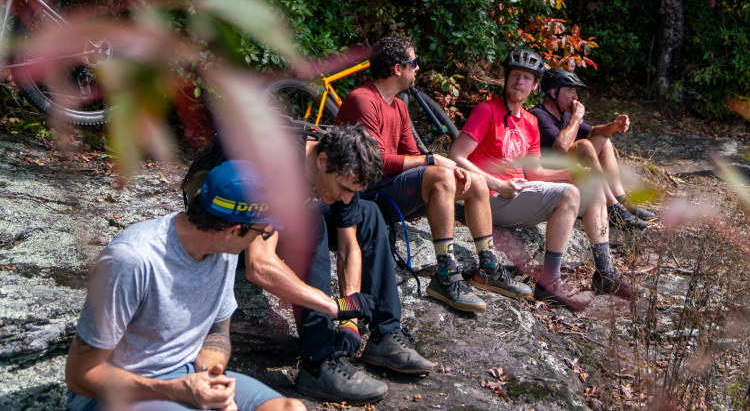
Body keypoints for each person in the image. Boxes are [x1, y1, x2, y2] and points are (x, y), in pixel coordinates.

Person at [183, 125, 432, 406]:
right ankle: (318, 361)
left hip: (272, 218)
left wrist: (349, 317)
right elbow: (260, 265)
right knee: (310, 223)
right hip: (226, 235)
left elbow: (349, 244)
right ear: (322, 160)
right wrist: (332, 306)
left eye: (354, 190)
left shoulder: (338, 168)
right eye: (344, 189)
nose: (346, 197)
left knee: (370, 213)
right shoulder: (274, 166)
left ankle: (385, 333)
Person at [65, 160, 309, 411]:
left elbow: (218, 331)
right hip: (116, 394)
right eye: (262, 231)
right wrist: (176, 390)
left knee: (290, 408)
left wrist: (211, 377)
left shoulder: (224, 251)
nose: (261, 237)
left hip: (186, 377)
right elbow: (80, 376)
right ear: (233, 230)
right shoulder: (132, 260)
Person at [335, 34, 532, 314]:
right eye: (413, 62)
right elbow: (374, 162)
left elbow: (412, 154)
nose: (418, 68)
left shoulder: (399, 106)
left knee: (474, 180)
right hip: (368, 194)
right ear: (397, 68)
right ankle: (445, 274)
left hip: (396, 189)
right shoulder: (363, 100)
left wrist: (444, 168)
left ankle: (487, 267)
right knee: (439, 175)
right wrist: (433, 162)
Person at [448, 49, 640, 308]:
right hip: (490, 198)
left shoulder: (529, 121)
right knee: (569, 194)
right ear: (506, 79)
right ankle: (550, 282)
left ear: (536, 85)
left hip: (520, 193)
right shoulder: (487, 110)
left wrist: (571, 173)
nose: (519, 82)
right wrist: (498, 184)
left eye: (527, 78)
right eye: (514, 75)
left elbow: (535, 172)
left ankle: (604, 272)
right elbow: (457, 156)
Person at [528, 68, 656, 230]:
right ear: (554, 93)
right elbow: (561, 147)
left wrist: (613, 126)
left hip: (569, 172)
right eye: (570, 91)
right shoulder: (538, 115)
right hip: (552, 179)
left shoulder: (565, 115)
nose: (575, 97)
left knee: (603, 140)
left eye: (575, 92)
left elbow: (593, 131)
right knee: (583, 145)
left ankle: (621, 199)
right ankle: (612, 209)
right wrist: (576, 117)